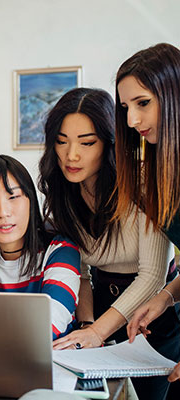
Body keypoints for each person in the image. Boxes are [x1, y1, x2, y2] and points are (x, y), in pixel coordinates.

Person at [40, 87, 178, 399]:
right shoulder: (64, 192)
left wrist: (96, 331)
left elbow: (153, 275)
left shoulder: (144, 183)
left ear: (109, 143)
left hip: (153, 314)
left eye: (86, 143)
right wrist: (87, 326)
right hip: (102, 308)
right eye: (61, 141)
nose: (71, 155)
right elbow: (83, 272)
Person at [0, 155, 81, 340]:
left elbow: (52, 321)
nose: (3, 213)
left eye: (13, 197)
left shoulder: (59, 250)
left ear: (30, 201)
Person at [114, 43, 180, 385]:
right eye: (126, 107)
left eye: (143, 103)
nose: (131, 120)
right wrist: (165, 297)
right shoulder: (158, 173)